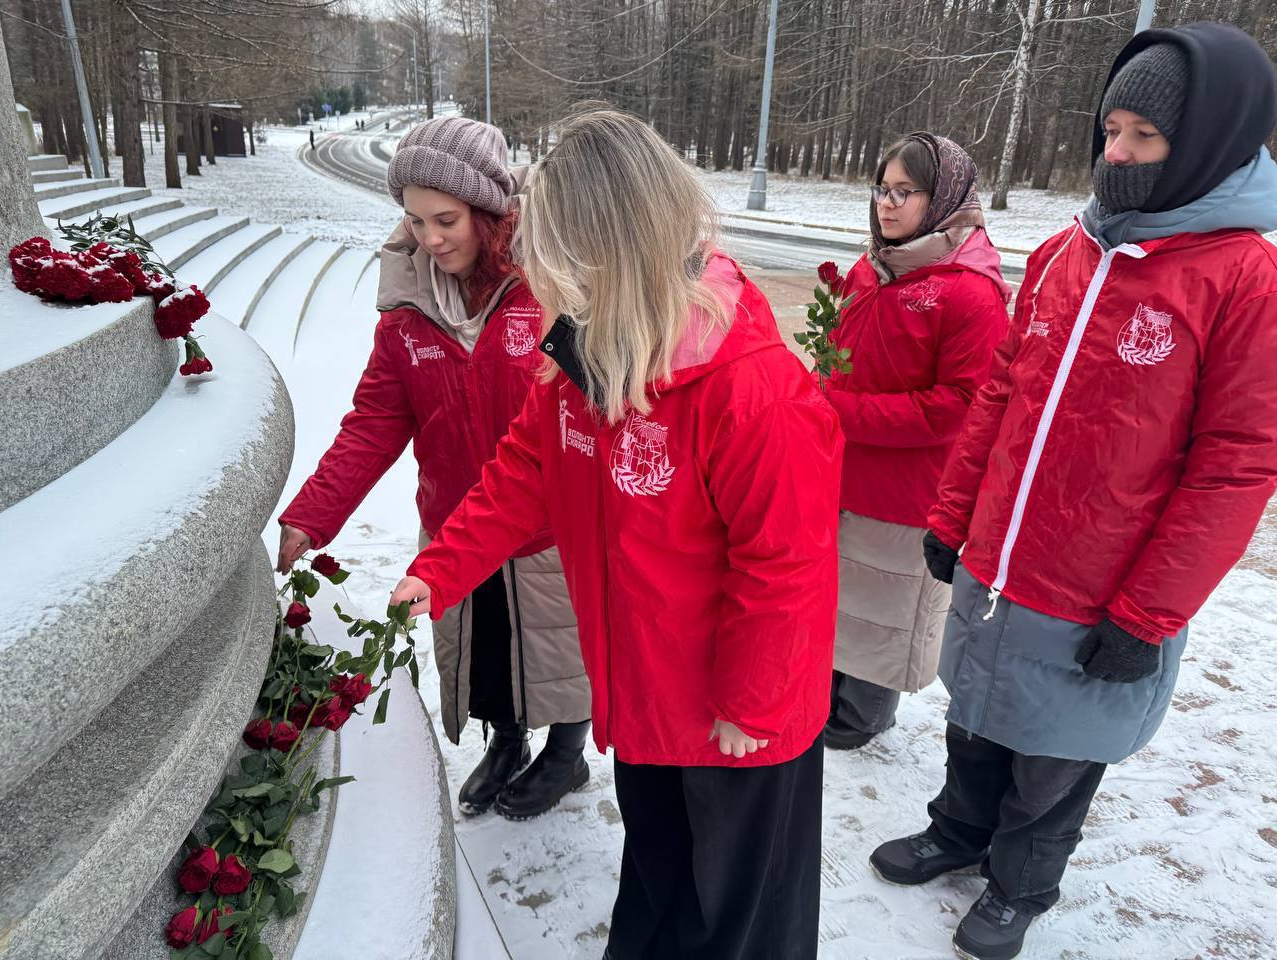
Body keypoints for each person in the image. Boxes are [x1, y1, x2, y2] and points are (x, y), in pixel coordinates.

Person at [389, 109, 842, 960]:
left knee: (736, 918)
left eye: (558, 265)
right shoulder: (584, 361)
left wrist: (749, 702)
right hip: (645, 695)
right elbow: (523, 476)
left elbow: (788, 563)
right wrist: (440, 570)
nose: (539, 282)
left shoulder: (752, 390)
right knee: (660, 876)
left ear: (613, 254)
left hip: (736, 720)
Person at [871, 22, 1277, 960]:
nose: (1116, 154)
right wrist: (952, 516)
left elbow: (1237, 463)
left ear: (1210, 141)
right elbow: (1001, 396)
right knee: (976, 719)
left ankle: (1022, 882)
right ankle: (959, 833)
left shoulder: (1242, 278)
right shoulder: (1065, 254)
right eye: (1110, 130)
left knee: (1054, 756)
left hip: (1104, 587)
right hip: (1002, 558)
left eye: (1144, 136)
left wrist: (1148, 612)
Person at [277, 116, 592, 821]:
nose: (430, 238)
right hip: (455, 528)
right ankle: (507, 743)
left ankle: (567, 757)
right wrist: (313, 513)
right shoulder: (407, 312)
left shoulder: (549, 290)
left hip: (546, 529)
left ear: (489, 211)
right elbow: (376, 421)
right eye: (415, 220)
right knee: (484, 658)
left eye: (446, 219)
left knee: (562, 659)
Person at [822, 133, 1009, 750]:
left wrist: (842, 411)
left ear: (944, 198)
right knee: (841, 594)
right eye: (883, 189)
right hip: (844, 471)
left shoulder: (969, 291)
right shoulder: (869, 269)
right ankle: (831, 697)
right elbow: (842, 361)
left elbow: (960, 406)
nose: (888, 204)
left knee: (889, 605)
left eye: (907, 192)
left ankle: (867, 714)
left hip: (910, 490)